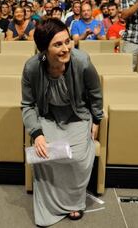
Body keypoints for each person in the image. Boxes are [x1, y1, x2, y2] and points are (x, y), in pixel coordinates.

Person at [22, 18, 103, 227]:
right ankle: (51, 206)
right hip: (48, 115)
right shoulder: (31, 68)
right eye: (58, 44)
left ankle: (74, 201)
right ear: (43, 49)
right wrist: (37, 133)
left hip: (77, 115)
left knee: (76, 157)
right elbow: (28, 105)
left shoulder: (82, 61)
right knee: (45, 154)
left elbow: (95, 93)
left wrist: (96, 119)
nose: (66, 48)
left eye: (67, 41)